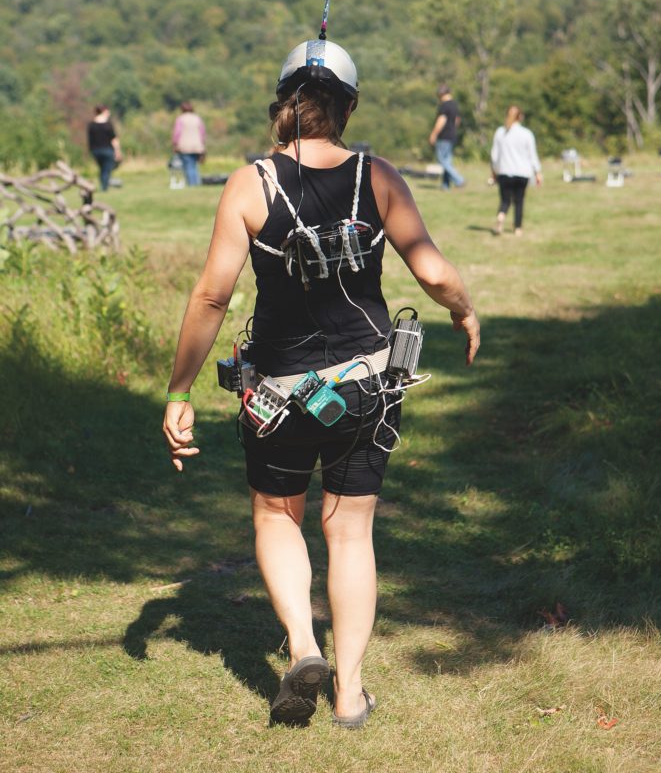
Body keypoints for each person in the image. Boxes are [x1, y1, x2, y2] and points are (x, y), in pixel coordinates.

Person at [162, 39, 480, 730]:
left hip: (272, 395)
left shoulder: (249, 184)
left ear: (283, 103)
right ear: (347, 105)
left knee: (277, 516)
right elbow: (429, 269)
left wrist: (179, 391)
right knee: (350, 531)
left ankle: (305, 647)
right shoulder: (378, 176)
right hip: (368, 386)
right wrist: (462, 310)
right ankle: (349, 692)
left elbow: (211, 297)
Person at [490, 105, 543, 236]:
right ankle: (518, 228)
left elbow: (494, 156)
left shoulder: (500, 132)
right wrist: (538, 172)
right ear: (520, 117)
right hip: (522, 173)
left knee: (505, 200)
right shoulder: (526, 134)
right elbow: (532, 155)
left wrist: (494, 171)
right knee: (519, 201)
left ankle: (501, 215)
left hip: (504, 171)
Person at [428, 84, 465, 190]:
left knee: (441, 160)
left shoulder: (444, 106)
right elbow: (457, 120)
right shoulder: (455, 104)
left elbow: (441, 120)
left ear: (441, 94)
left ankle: (459, 180)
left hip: (444, 136)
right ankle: (445, 185)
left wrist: (434, 134)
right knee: (447, 161)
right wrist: (452, 130)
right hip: (452, 135)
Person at [87, 105, 122, 191]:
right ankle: (105, 187)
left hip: (96, 151)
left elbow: (90, 140)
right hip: (107, 150)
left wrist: (91, 151)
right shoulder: (108, 125)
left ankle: (104, 184)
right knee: (107, 169)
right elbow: (114, 139)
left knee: (103, 169)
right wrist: (117, 151)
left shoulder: (91, 125)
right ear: (104, 112)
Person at [172, 101, 206, 187]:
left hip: (184, 146)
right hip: (197, 146)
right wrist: (202, 143)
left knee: (188, 166)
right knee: (194, 165)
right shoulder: (197, 118)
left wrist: (175, 143)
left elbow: (177, 133)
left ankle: (192, 184)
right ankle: (197, 183)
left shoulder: (180, 119)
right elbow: (202, 132)